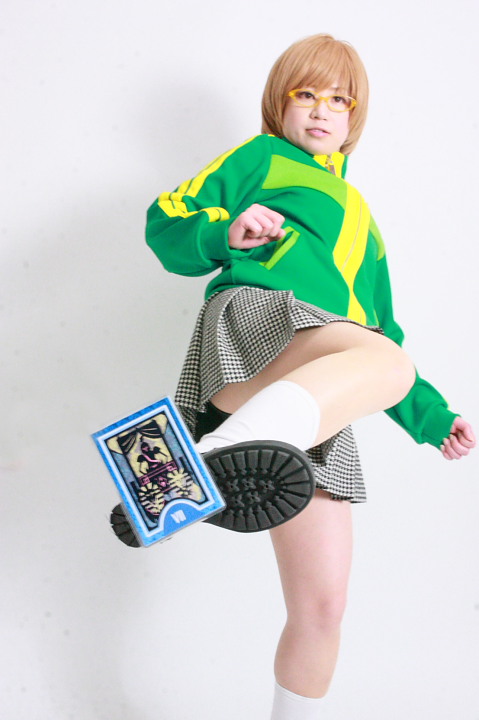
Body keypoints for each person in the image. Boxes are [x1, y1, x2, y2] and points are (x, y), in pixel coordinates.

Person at [124, 33, 476, 718]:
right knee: (386, 362)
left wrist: (434, 419)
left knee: (323, 605)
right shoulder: (260, 158)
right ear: (278, 105)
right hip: (261, 326)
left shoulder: (364, 223)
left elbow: (381, 336)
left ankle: (193, 463)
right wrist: (225, 230)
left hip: (315, 396)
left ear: (354, 118)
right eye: (305, 94)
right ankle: (218, 449)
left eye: (339, 100)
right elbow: (165, 220)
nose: (321, 110)